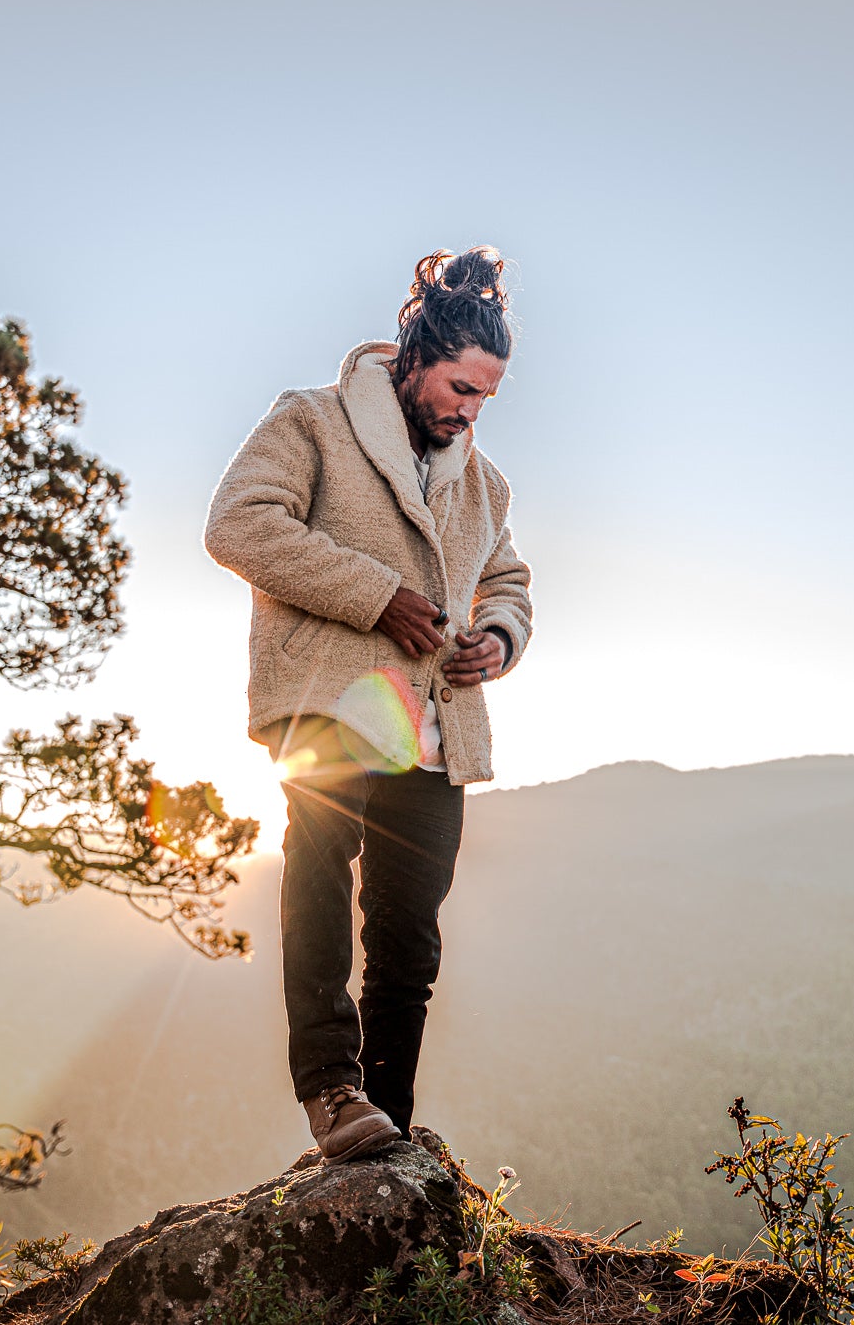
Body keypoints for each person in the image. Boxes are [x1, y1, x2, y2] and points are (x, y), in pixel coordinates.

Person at [202, 247, 532, 1163]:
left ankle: (381, 1117)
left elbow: (506, 578)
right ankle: (332, 1090)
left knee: (407, 942)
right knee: (315, 882)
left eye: (486, 397)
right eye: (461, 387)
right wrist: (377, 594)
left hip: (436, 733)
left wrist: (494, 640)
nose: (469, 410)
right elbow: (238, 524)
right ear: (416, 357)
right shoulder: (310, 421)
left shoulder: (484, 481)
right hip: (329, 702)